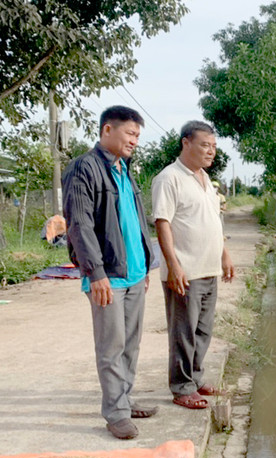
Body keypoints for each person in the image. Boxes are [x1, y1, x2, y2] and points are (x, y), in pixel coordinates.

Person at [62, 105, 158, 440]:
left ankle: (125, 399)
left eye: (137, 136)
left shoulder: (123, 169)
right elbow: (80, 224)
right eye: (130, 133)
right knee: (111, 346)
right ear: (107, 130)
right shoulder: (83, 168)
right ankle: (115, 413)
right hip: (108, 276)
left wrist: (145, 264)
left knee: (131, 343)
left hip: (132, 273)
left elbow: (135, 220)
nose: (134, 140)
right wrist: (96, 272)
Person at [152, 121, 235, 410]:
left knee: (203, 330)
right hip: (185, 271)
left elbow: (214, 221)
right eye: (204, 145)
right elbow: (162, 223)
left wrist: (224, 255)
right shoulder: (169, 178)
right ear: (186, 143)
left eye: (213, 146)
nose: (210, 151)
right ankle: (182, 387)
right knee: (183, 332)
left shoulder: (205, 181)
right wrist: (173, 265)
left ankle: (195, 378)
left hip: (208, 269)